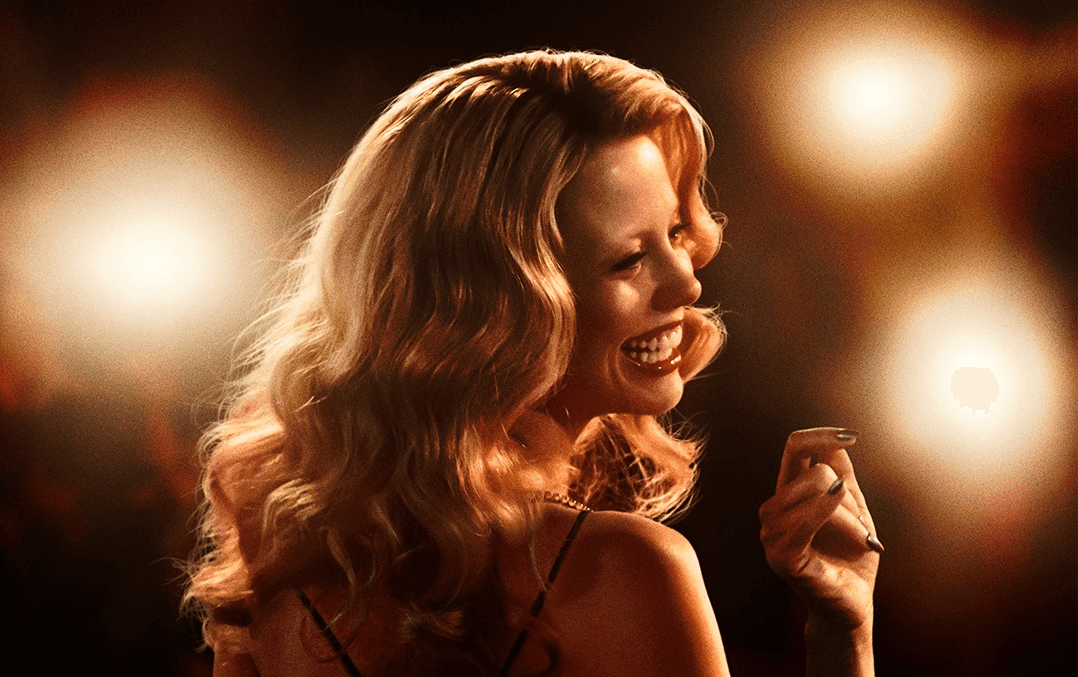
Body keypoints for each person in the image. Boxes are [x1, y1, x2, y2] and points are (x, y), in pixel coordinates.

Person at [186, 49, 881, 676]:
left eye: (675, 233)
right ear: (498, 307)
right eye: (628, 259)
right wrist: (843, 641)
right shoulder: (626, 569)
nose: (687, 282)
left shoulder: (284, 581)